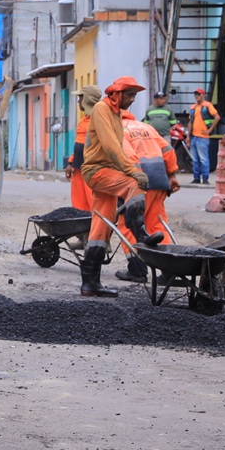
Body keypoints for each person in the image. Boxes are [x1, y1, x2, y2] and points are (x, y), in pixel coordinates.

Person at [78, 76, 166, 297]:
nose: (133, 99)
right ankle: (141, 234)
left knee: (101, 227)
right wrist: (132, 171)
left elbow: (118, 147)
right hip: (96, 171)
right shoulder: (102, 109)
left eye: (134, 95)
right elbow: (111, 146)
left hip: (107, 171)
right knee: (133, 184)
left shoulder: (115, 113)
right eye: (130, 95)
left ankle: (90, 283)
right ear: (117, 94)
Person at [112, 115, 180, 282]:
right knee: (157, 224)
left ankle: (137, 270)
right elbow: (168, 151)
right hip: (159, 179)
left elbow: (126, 157)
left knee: (128, 224)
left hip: (137, 182)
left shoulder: (116, 129)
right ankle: (169, 270)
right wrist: (171, 175)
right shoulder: (147, 127)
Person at [64, 85, 101, 212]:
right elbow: (80, 143)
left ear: (87, 99)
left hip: (91, 168)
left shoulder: (99, 119)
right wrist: (71, 163)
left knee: (93, 204)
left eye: (80, 98)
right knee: (79, 205)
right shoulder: (84, 119)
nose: (79, 101)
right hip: (78, 168)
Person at [188, 87, 220, 184]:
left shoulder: (207, 105)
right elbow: (190, 122)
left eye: (199, 94)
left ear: (203, 95)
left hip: (203, 137)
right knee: (195, 159)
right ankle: (196, 178)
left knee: (203, 159)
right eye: (196, 94)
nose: (197, 96)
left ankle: (205, 178)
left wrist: (210, 129)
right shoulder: (193, 107)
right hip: (194, 136)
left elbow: (217, 117)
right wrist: (188, 136)